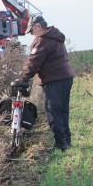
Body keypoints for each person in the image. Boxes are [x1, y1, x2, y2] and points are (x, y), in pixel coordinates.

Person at [18, 14, 75, 152]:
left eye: (31, 31)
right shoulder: (56, 36)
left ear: (38, 26)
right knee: (62, 111)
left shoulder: (42, 40)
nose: (32, 34)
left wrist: (23, 79)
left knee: (52, 112)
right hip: (66, 77)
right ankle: (66, 141)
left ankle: (61, 144)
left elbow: (33, 63)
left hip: (54, 80)